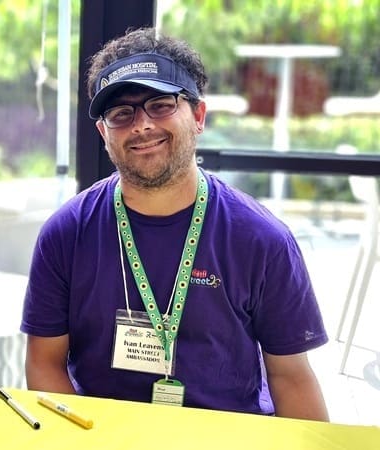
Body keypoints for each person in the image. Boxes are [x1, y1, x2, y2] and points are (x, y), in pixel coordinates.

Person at [20, 27, 329, 421]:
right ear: (104, 132)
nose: (142, 125)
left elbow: (290, 377)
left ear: (198, 115)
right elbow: (44, 363)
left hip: (225, 435)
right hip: (102, 435)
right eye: (121, 113)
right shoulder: (67, 233)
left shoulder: (261, 239)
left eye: (161, 104)